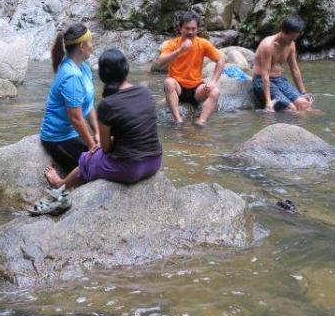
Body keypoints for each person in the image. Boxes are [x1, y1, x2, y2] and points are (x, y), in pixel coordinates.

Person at [46, 49, 163, 189]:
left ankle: (60, 184)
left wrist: (96, 148)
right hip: (154, 162)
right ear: (126, 69)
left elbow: (106, 148)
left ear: (103, 75)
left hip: (131, 169)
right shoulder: (146, 92)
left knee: (87, 158)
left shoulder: (107, 104)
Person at [39, 23, 98, 178]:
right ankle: (59, 184)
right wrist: (92, 145)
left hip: (72, 133)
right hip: (58, 138)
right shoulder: (71, 76)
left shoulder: (83, 68)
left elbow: (89, 105)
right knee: (96, 168)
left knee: (108, 155)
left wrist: (97, 132)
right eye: (90, 42)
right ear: (82, 46)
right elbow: (76, 118)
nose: (93, 45)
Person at [154, 11, 225, 126]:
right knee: (168, 82)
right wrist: (180, 50)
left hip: (196, 89)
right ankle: (178, 121)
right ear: (180, 28)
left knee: (215, 91)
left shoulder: (203, 44)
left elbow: (221, 60)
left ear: (197, 29)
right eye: (187, 28)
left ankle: (201, 122)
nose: (190, 32)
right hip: (178, 88)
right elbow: (160, 62)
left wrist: (213, 81)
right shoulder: (172, 44)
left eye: (193, 29)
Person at [252, 15, 313, 113]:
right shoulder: (268, 45)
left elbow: (294, 69)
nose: (291, 41)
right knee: (291, 109)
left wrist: (303, 92)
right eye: (290, 38)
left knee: (305, 104)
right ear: (283, 32)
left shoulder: (291, 44)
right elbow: (265, 74)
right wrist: (268, 101)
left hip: (279, 80)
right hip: (261, 81)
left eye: (294, 38)